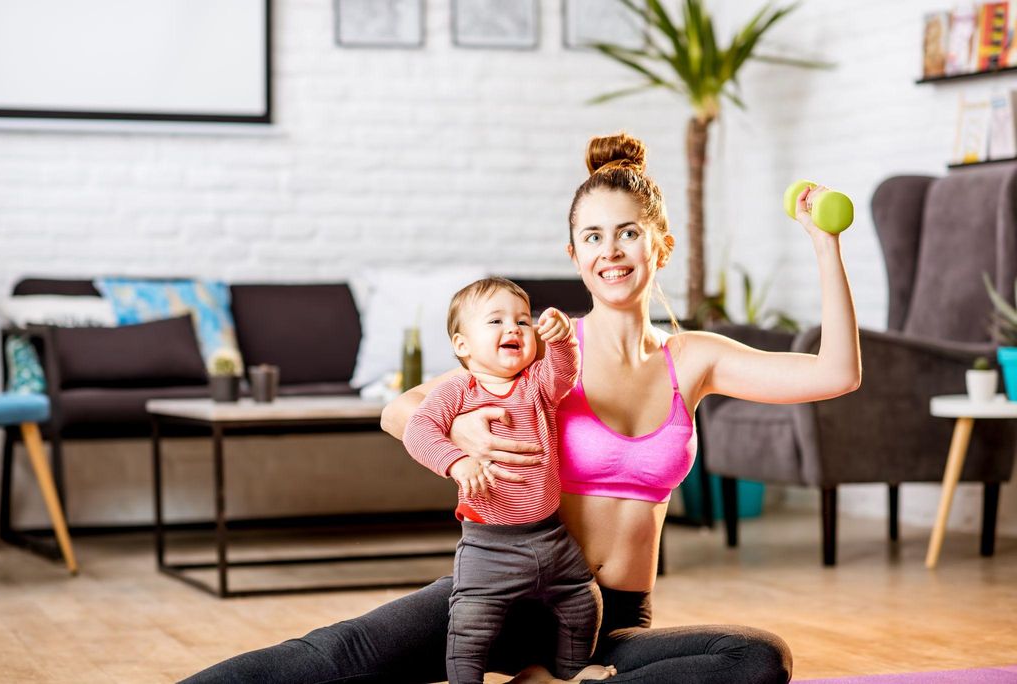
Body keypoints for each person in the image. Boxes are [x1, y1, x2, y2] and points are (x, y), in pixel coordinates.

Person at [183, 131, 859, 683]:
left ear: (660, 245)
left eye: (626, 234)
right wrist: (464, 430)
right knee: (334, 658)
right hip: (502, 595)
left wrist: (825, 248)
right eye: (592, 237)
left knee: (755, 661)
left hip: (608, 625)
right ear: (574, 253)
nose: (610, 251)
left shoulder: (695, 358)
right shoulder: (543, 347)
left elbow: (837, 374)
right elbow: (401, 409)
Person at [403, 276, 613, 684]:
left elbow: (565, 371)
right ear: (462, 345)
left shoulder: (536, 383)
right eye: (495, 321)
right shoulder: (455, 392)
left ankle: (571, 670)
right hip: (488, 547)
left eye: (522, 320)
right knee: (469, 624)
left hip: (551, 537)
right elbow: (418, 431)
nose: (513, 328)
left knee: (582, 601)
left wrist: (562, 339)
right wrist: (456, 461)